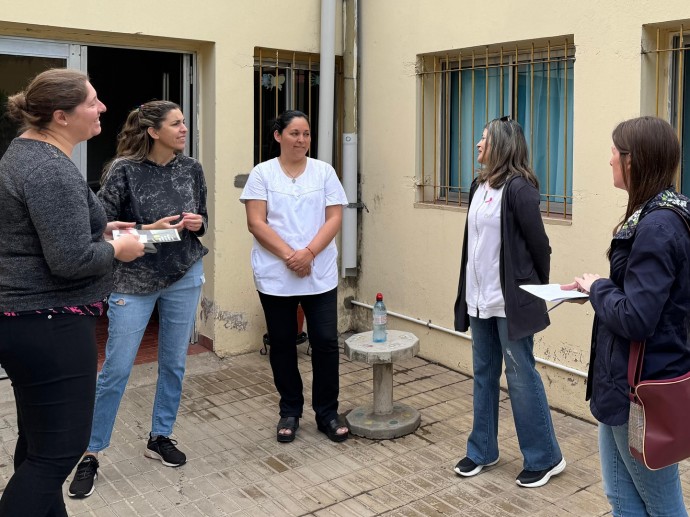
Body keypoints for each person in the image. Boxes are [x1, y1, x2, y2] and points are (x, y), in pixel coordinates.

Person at [0, 69, 144, 517]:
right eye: (92, 102)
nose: (102, 108)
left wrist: (100, 228)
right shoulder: (48, 168)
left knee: (40, 443)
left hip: (27, 323)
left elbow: (38, 231)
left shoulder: (26, 155)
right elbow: (69, 261)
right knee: (59, 453)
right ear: (61, 116)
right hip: (49, 323)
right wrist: (119, 249)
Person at [68, 100, 208, 498]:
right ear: (153, 131)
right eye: (176, 123)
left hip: (184, 274)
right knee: (116, 369)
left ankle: (160, 436)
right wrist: (151, 230)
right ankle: (91, 453)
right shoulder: (121, 171)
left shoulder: (192, 168)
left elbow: (202, 223)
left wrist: (197, 224)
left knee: (174, 364)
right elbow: (103, 234)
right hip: (132, 280)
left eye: (184, 122)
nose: (184, 129)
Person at [563, 116, 690, 516]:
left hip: (639, 389)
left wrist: (599, 289)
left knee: (661, 503)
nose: (610, 159)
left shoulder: (658, 226)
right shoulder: (662, 214)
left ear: (633, 161)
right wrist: (599, 287)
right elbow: (645, 296)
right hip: (622, 382)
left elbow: (638, 317)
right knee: (621, 497)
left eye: (615, 152)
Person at [452, 116, 565, 488]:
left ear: (501, 145)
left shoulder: (520, 189)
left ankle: (545, 457)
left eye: (484, 138)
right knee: (484, 374)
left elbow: (540, 248)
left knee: (520, 376)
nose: (478, 144)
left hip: (508, 302)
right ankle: (482, 449)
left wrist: (529, 293)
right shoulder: (478, 186)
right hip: (479, 299)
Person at [240, 110, 349, 443]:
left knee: (326, 343)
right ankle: (290, 410)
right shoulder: (262, 174)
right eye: (294, 133)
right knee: (283, 343)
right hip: (277, 273)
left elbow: (334, 218)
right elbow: (256, 222)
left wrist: (309, 254)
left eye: (306, 134)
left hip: (318, 271)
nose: (301, 140)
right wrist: (290, 255)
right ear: (278, 136)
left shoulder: (324, 172)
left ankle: (327, 412)